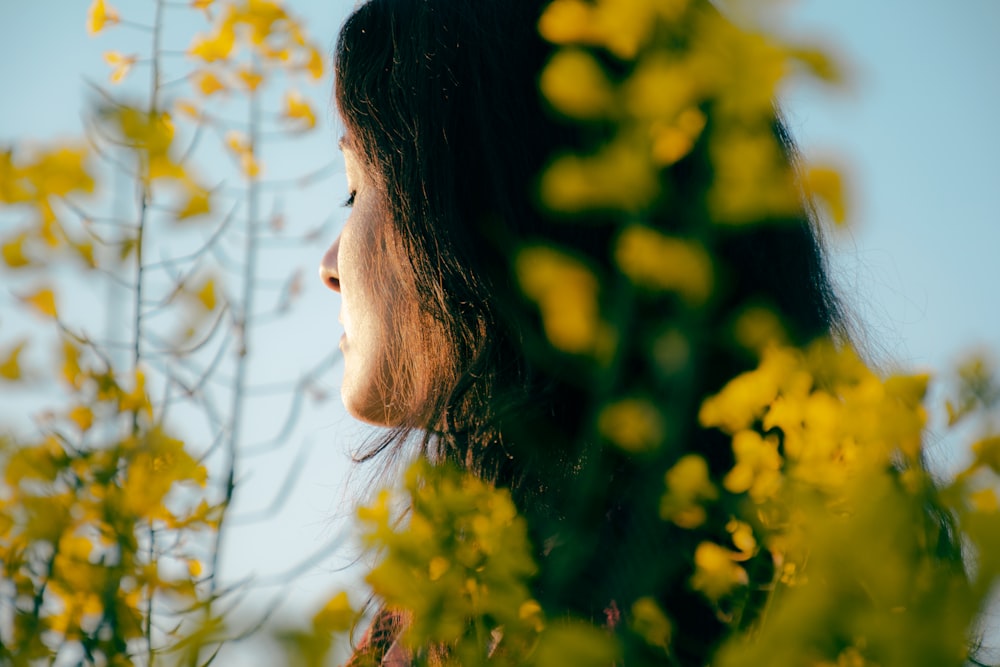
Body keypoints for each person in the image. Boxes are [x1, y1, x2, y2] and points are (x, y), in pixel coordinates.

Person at [318, 0, 960, 665]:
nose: (328, 265)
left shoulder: (749, 605)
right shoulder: (437, 611)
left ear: (493, 212)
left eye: (355, 190)